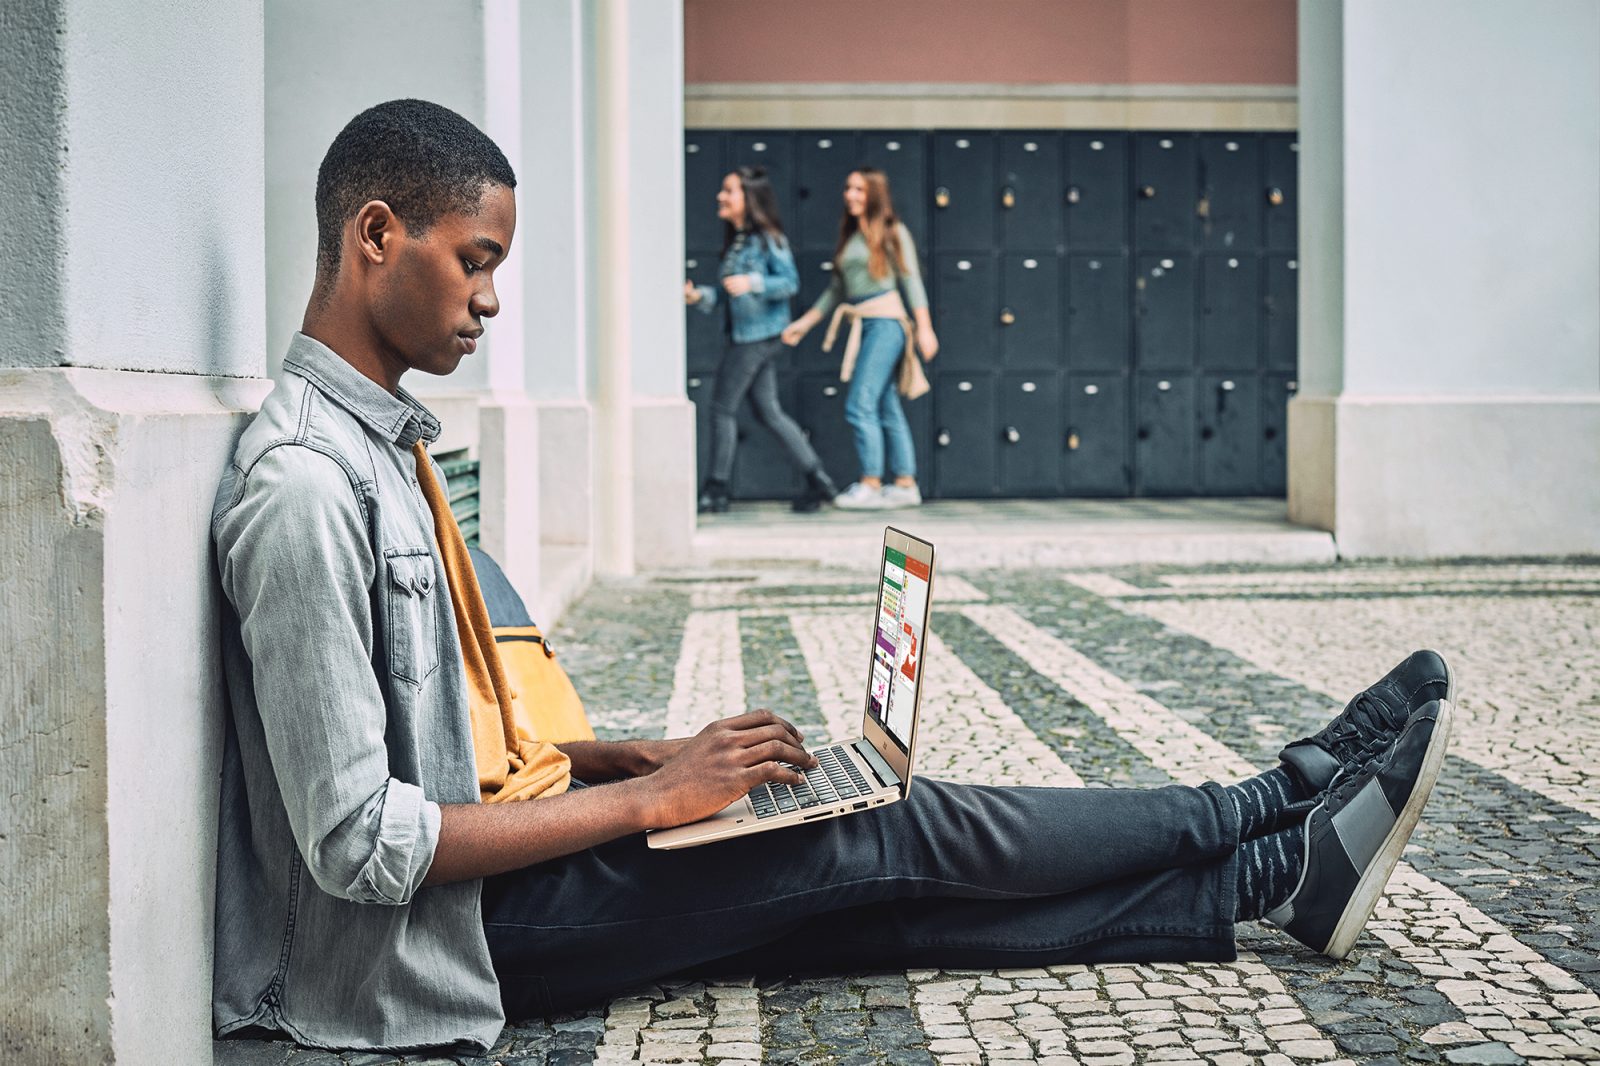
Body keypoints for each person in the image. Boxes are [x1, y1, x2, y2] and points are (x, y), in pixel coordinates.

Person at [211, 99, 1457, 1055]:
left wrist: (638, 757)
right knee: (881, 828)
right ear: (377, 234)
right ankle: (1260, 802)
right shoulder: (306, 491)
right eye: (474, 260)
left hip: (512, 876)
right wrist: (651, 808)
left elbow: (459, 742)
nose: (487, 301)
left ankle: (1272, 877)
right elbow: (356, 842)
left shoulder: (382, 452)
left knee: (854, 895)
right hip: (456, 941)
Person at [781, 168, 938, 510]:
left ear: (875, 195)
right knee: (884, 405)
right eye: (848, 188)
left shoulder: (893, 232)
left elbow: (911, 281)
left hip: (886, 323)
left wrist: (925, 327)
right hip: (866, 323)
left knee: (860, 403)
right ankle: (905, 483)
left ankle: (871, 483)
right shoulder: (852, 236)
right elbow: (836, 291)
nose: (850, 195)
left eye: (859, 190)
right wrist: (804, 325)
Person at [686, 167, 839, 514]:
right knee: (768, 411)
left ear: (749, 198)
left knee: (722, 408)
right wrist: (700, 297)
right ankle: (818, 480)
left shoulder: (768, 239)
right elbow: (728, 295)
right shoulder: (738, 241)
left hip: (756, 338)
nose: (720, 197)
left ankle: (716, 489)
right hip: (748, 334)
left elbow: (789, 283)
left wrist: (753, 283)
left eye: (729, 191)